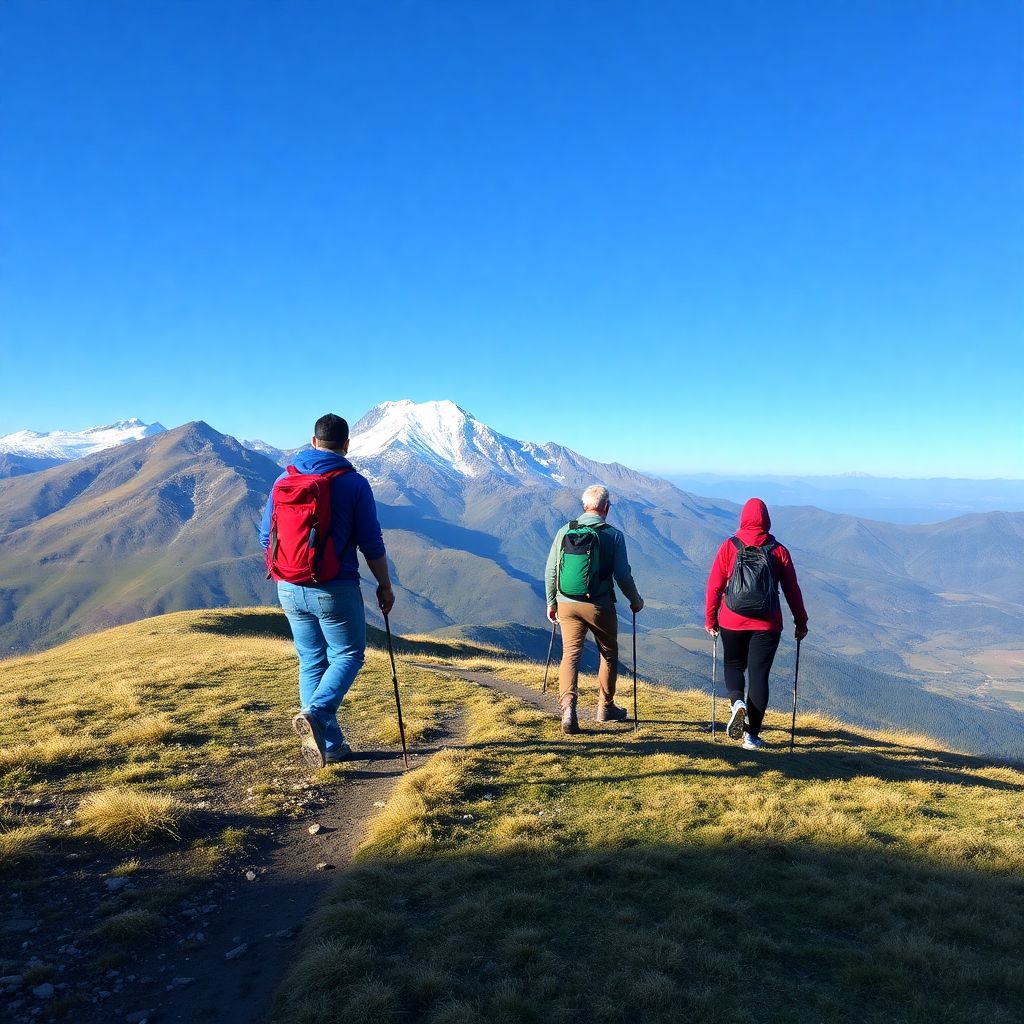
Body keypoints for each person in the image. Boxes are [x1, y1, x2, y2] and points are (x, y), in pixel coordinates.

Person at [259, 413, 394, 768]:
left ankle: (330, 746)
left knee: (311, 660)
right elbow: (371, 542)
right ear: (346, 445)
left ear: (313, 440)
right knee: (349, 654)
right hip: (334, 587)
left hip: (288, 585)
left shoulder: (283, 480)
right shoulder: (354, 484)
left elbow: (265, 536)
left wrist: (288, 569)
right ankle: (318, 717)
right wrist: (384, 584)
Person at [705, 498, 808, 750]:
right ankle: (751, 736)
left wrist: (710, 619)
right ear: (766, 519)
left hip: (732, 619)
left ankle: (736, 702)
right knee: (759, 676)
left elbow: (715, 585)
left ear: (743, 518)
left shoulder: (730, 546)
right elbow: (792, 589)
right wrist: (801, 622)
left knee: (733, 665)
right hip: (768, 624)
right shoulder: (779, 551)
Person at [544, 484, 644, 734]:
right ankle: (605, 708)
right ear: (606, 508)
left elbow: (551, 570)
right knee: (608, 654)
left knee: (571, 654)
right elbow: (622, 575)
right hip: (599, 605)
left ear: (584, 507)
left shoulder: (565, 530)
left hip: (567, 602)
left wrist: (551, 602)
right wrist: (635, 600)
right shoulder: (613, 535)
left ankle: (568, 708)